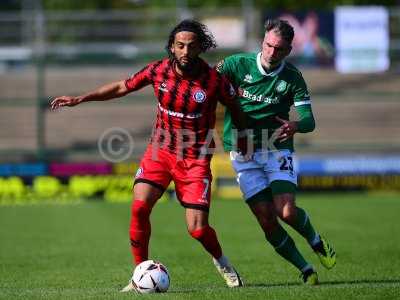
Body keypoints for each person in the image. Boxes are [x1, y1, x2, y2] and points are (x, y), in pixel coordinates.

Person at [50, 19, 246, 291]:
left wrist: (240, 137)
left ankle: (222, 262)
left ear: (201, 47)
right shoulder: (158, 70)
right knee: (140, 207)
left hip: (195, 161)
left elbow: (236, 108)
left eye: (191, 46)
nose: (185, 51)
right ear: (172, 47)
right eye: (180, 46)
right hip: (160, 152)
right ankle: (139, 274)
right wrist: (81, 98)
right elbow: (122, 86)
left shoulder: (214, 81)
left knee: (198, 230)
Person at [216, 19, 336, 285]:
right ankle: (306, 270)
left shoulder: (292, 78)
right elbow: (207, 86)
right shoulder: (236, 64)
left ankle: (316, 241)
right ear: (262, 42)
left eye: (279, 49)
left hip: (275, 149)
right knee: (267, 220)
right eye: (269, 45)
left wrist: (296, 125)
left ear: (288, 51)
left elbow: (309, 120)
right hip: (242, 153)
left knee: (287, 212)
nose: (272, 52)